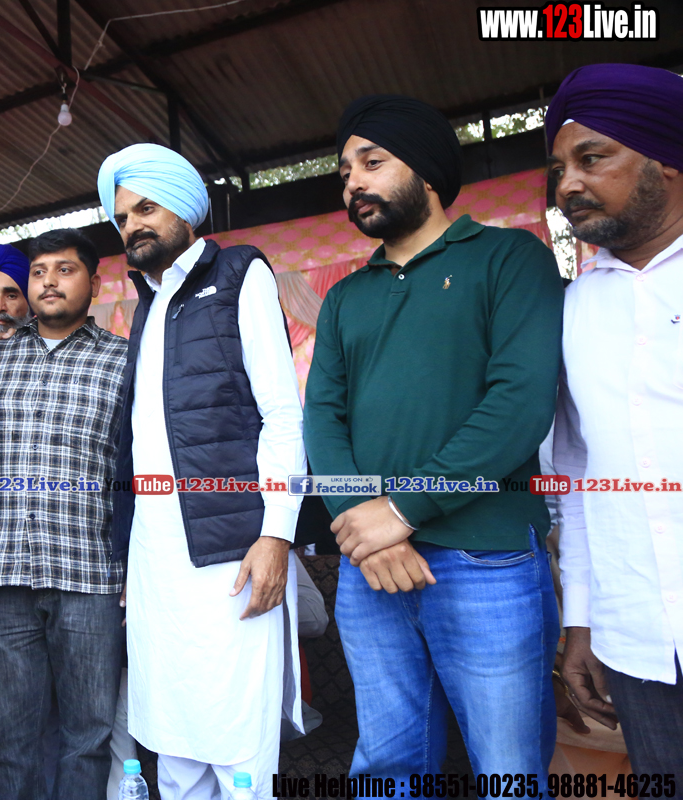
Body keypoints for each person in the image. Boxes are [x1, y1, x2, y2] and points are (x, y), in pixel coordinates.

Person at [304, 95, 563, 776]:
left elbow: (518, 405)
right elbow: (321, 417)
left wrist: (400, 510)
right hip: (369, 568)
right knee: (386, 765)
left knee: (508, 769)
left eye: (372, 162)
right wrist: (363, 526)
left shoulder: (510, 259)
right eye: (344, 172)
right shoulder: (345, 297)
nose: (353, 182)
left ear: (424, 170)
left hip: (486, 557)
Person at [98, 143, 306, 798]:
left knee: (238, 744)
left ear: (185, 209)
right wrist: (130, 561)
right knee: (176, 746)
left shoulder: (240, 273)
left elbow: (283, 415)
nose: (132, 225)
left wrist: (276, 534)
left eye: (146, 208)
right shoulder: (147, 306)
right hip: (156, 565)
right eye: (122, 217)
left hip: (231, 554)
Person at [546, 63, 683, 772]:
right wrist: (581, 621)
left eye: (592, 158)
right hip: (638, 644)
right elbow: (577, 477)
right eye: (559, 169)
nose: (568, 184)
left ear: (667, 161)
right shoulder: (574, 308)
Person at [0, 228, 127, 800]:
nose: (49, 282)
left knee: (87, 735)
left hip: (91, 576)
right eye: (39, 272)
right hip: (3, 577)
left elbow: (140, 469)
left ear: (95, 283)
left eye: (65, 269)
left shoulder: (126, 362)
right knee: (4, 734)